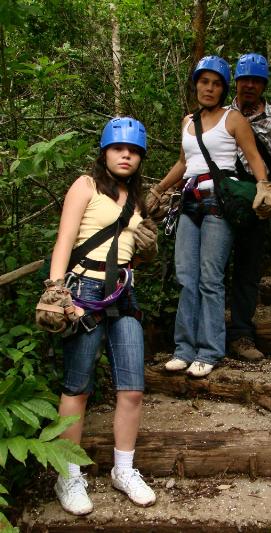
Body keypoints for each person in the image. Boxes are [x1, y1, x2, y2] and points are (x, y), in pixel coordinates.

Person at [48, 117, 157, 515]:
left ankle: (123, 470)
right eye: (118, 148)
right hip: (82, 292)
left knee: (132, 388)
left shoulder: (139, 198)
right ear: (105, 152)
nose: (126, 155)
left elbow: (134, 254)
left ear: (140, 158)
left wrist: (149, 248)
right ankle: (69, 475)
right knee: (77, 388)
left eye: (133, 151)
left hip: (123, 293)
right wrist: (56, 290)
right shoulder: (86, 185)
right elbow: (64, 240)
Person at [146, 55, 271, 377]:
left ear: (223, 89)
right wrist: (158, 190)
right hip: (189, 202)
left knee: (210, 277)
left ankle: (210, 350)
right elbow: (183, 163)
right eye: (204, 81)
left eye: (216, 83)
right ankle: (184, 349)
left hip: (220, 202)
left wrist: (264, 186)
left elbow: (254, 157)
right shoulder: (188, 121)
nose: (209, 88)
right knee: (186, 277)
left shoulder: (234, 119)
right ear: (196, 84)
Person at [228, 53, 271, 361]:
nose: (250, 86)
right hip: (219, 198)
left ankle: (242, 333)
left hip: (258, 201)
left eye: (257, 81)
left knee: (247, 268)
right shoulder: (220, 113)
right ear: (237, 82)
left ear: (264, 85)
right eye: (245, 80)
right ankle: (210, 335)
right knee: (211, 270)